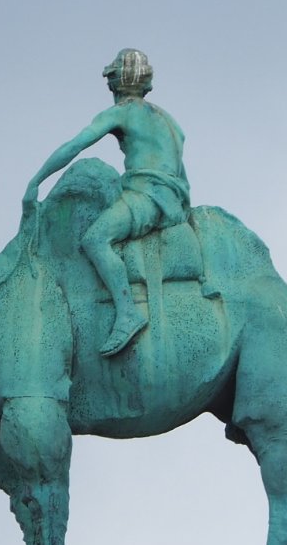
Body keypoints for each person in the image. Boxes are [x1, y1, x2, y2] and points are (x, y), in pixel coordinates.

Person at [23, 49, 191, 356]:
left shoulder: (124, 111)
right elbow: (182, 173)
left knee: (95, 238)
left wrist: (37, 180)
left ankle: (128, 312)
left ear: (118, 82)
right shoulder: (170, 122)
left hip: (147, 196)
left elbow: (76, 145)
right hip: (171, 198)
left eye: (111, 80)